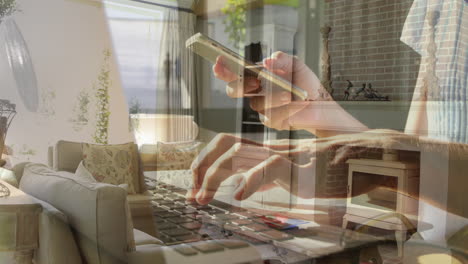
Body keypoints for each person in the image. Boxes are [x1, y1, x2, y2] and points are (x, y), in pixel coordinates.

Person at [187, 0, 467, 241]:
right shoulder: (434, 5)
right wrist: (320, 113)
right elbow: (415, 196)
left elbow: (404, 156)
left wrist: (385, 155)